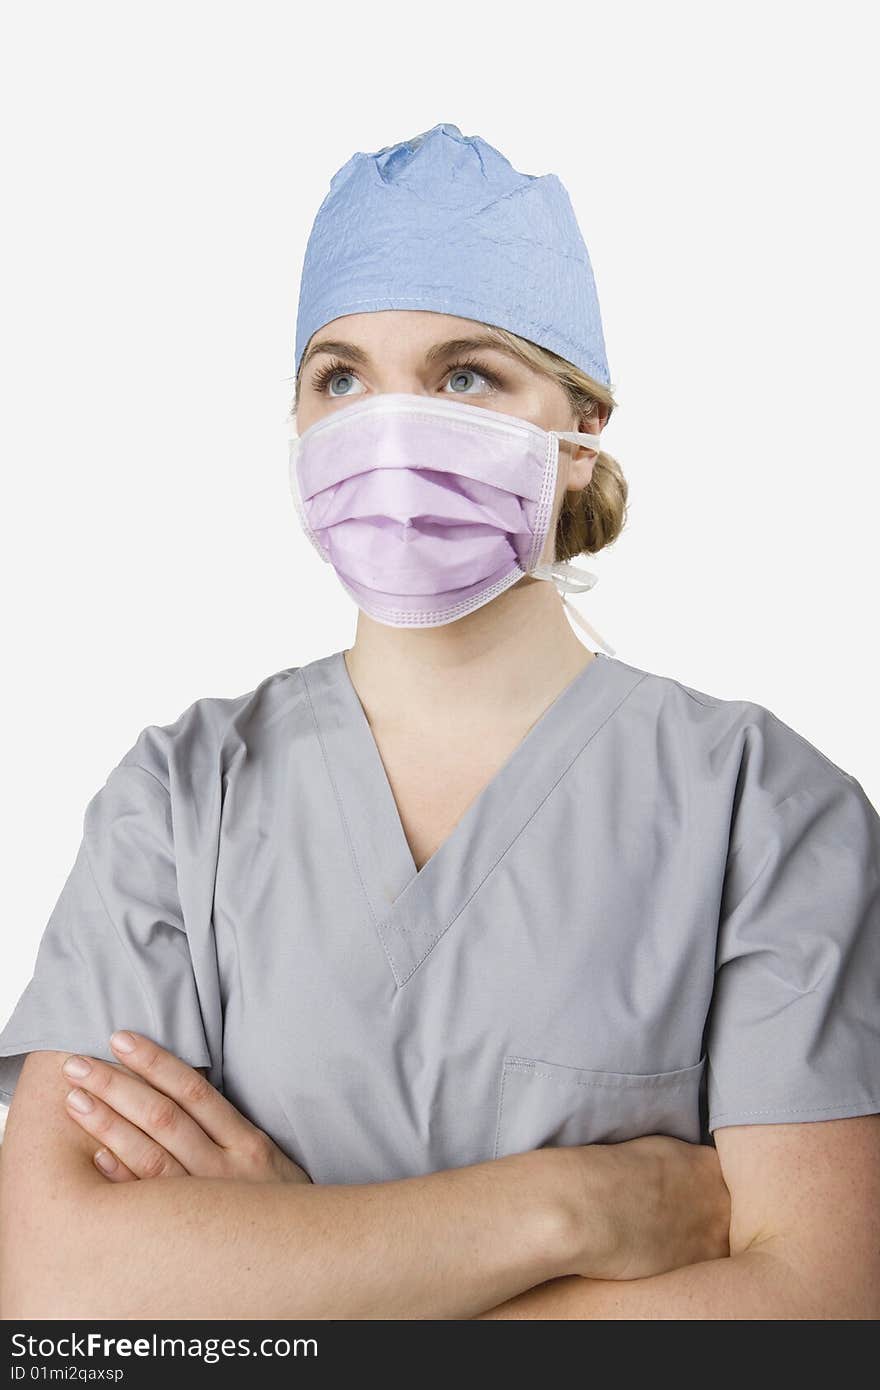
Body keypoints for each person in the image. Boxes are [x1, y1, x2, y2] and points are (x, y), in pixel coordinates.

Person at [1, 123, 878, 1321]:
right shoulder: (180, 798)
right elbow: (53, 1293)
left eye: (466, 375)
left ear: (577, 437)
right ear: (300, 421)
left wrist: (278, 1276)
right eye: (341, 377)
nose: (388, 428)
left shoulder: (762, 809)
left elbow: (819, 1306)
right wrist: (568, 1208)